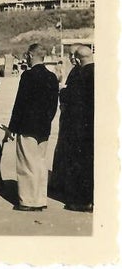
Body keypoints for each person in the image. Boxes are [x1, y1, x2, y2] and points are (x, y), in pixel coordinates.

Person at [8, 43, 59, 211]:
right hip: (44, 126)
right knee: (40, 163)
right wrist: (47, 121)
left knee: (26, 164)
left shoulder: (27, 76)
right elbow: (53, 105)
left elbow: (20, 103)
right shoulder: (52, 77)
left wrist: (12, 127)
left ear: (31, 55)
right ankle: (40, 199)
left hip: (27, 125)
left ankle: (28, 200)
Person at [62, 46, 94, 212]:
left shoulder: (81, 75)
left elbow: (70, 98)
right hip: (97, 126)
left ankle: (83, 201)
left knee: (81, 164)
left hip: (81, 127)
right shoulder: (101, 72)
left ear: (79, 59)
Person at [49, 46, 82, 199]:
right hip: (68, 116)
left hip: (71, 117)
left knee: (65, 150)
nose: (71, 58)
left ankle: (61, 182)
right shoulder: (76, 71)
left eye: (72, 55)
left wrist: (63, 91)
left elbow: (70, 93)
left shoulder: (78, 72)